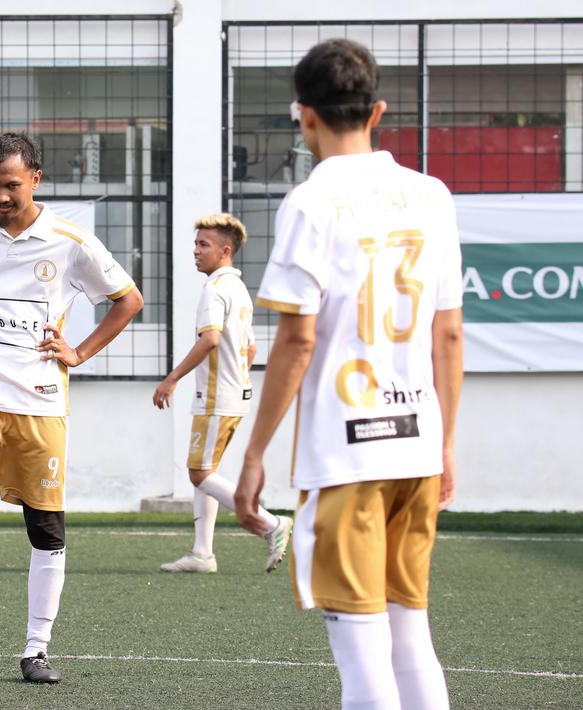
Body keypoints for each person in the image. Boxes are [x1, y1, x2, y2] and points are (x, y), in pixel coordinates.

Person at [233, 39, 463, 710]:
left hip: (347, 454)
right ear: (377, 111)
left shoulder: (311, 202)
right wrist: (446, 443)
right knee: (410, 635)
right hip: (416, 445)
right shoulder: (432, 195)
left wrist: (254, 455)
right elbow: (448, 333)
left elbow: (296, 340)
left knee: (361, 651)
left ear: (303, 116)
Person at [0, 133, 143, 683]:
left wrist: (80, 353)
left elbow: (129, 300)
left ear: (36, 179)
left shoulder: (70, 242)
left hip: (40, 402)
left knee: (44, 525)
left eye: (10, 185)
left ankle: (36, 648)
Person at [152, 213, 290, 574]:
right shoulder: (239, 289)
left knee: (199, 474)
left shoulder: (214, 289)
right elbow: (251, 348)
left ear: (225, 250)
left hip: (217, 397)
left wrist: (172, 378)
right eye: (196, 243)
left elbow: (210, 339)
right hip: (233, 395)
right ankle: (202, 553)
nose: (196, 251)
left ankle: (270, 524)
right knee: (206, 470)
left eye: (204, 244)